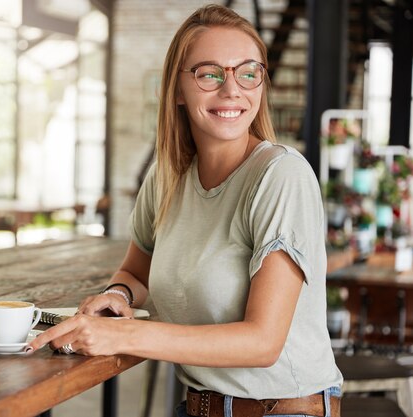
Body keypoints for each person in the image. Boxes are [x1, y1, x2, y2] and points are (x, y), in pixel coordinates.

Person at [26, 4, 343, 417]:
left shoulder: (281, 175)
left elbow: (263, 342)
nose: (232, 90)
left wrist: (122, 336)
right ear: (177, 89)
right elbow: (136, 273)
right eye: (209, 73)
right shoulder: (167, 177)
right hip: (197, 406)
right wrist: (116, 296)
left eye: (248, 72)